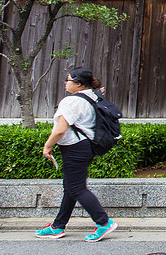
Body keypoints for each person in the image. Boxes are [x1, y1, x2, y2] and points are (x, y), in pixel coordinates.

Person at [36, 67, 117, 242]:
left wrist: (47, 146)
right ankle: (58, 226)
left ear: (79, 83)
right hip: (85, 147)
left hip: (75, 148)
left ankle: (103, 222)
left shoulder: (71, 102)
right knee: (71, 188)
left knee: (77, 188)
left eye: (69, 80)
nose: (66, 83)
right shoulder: (90, 96)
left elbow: (60, 130)